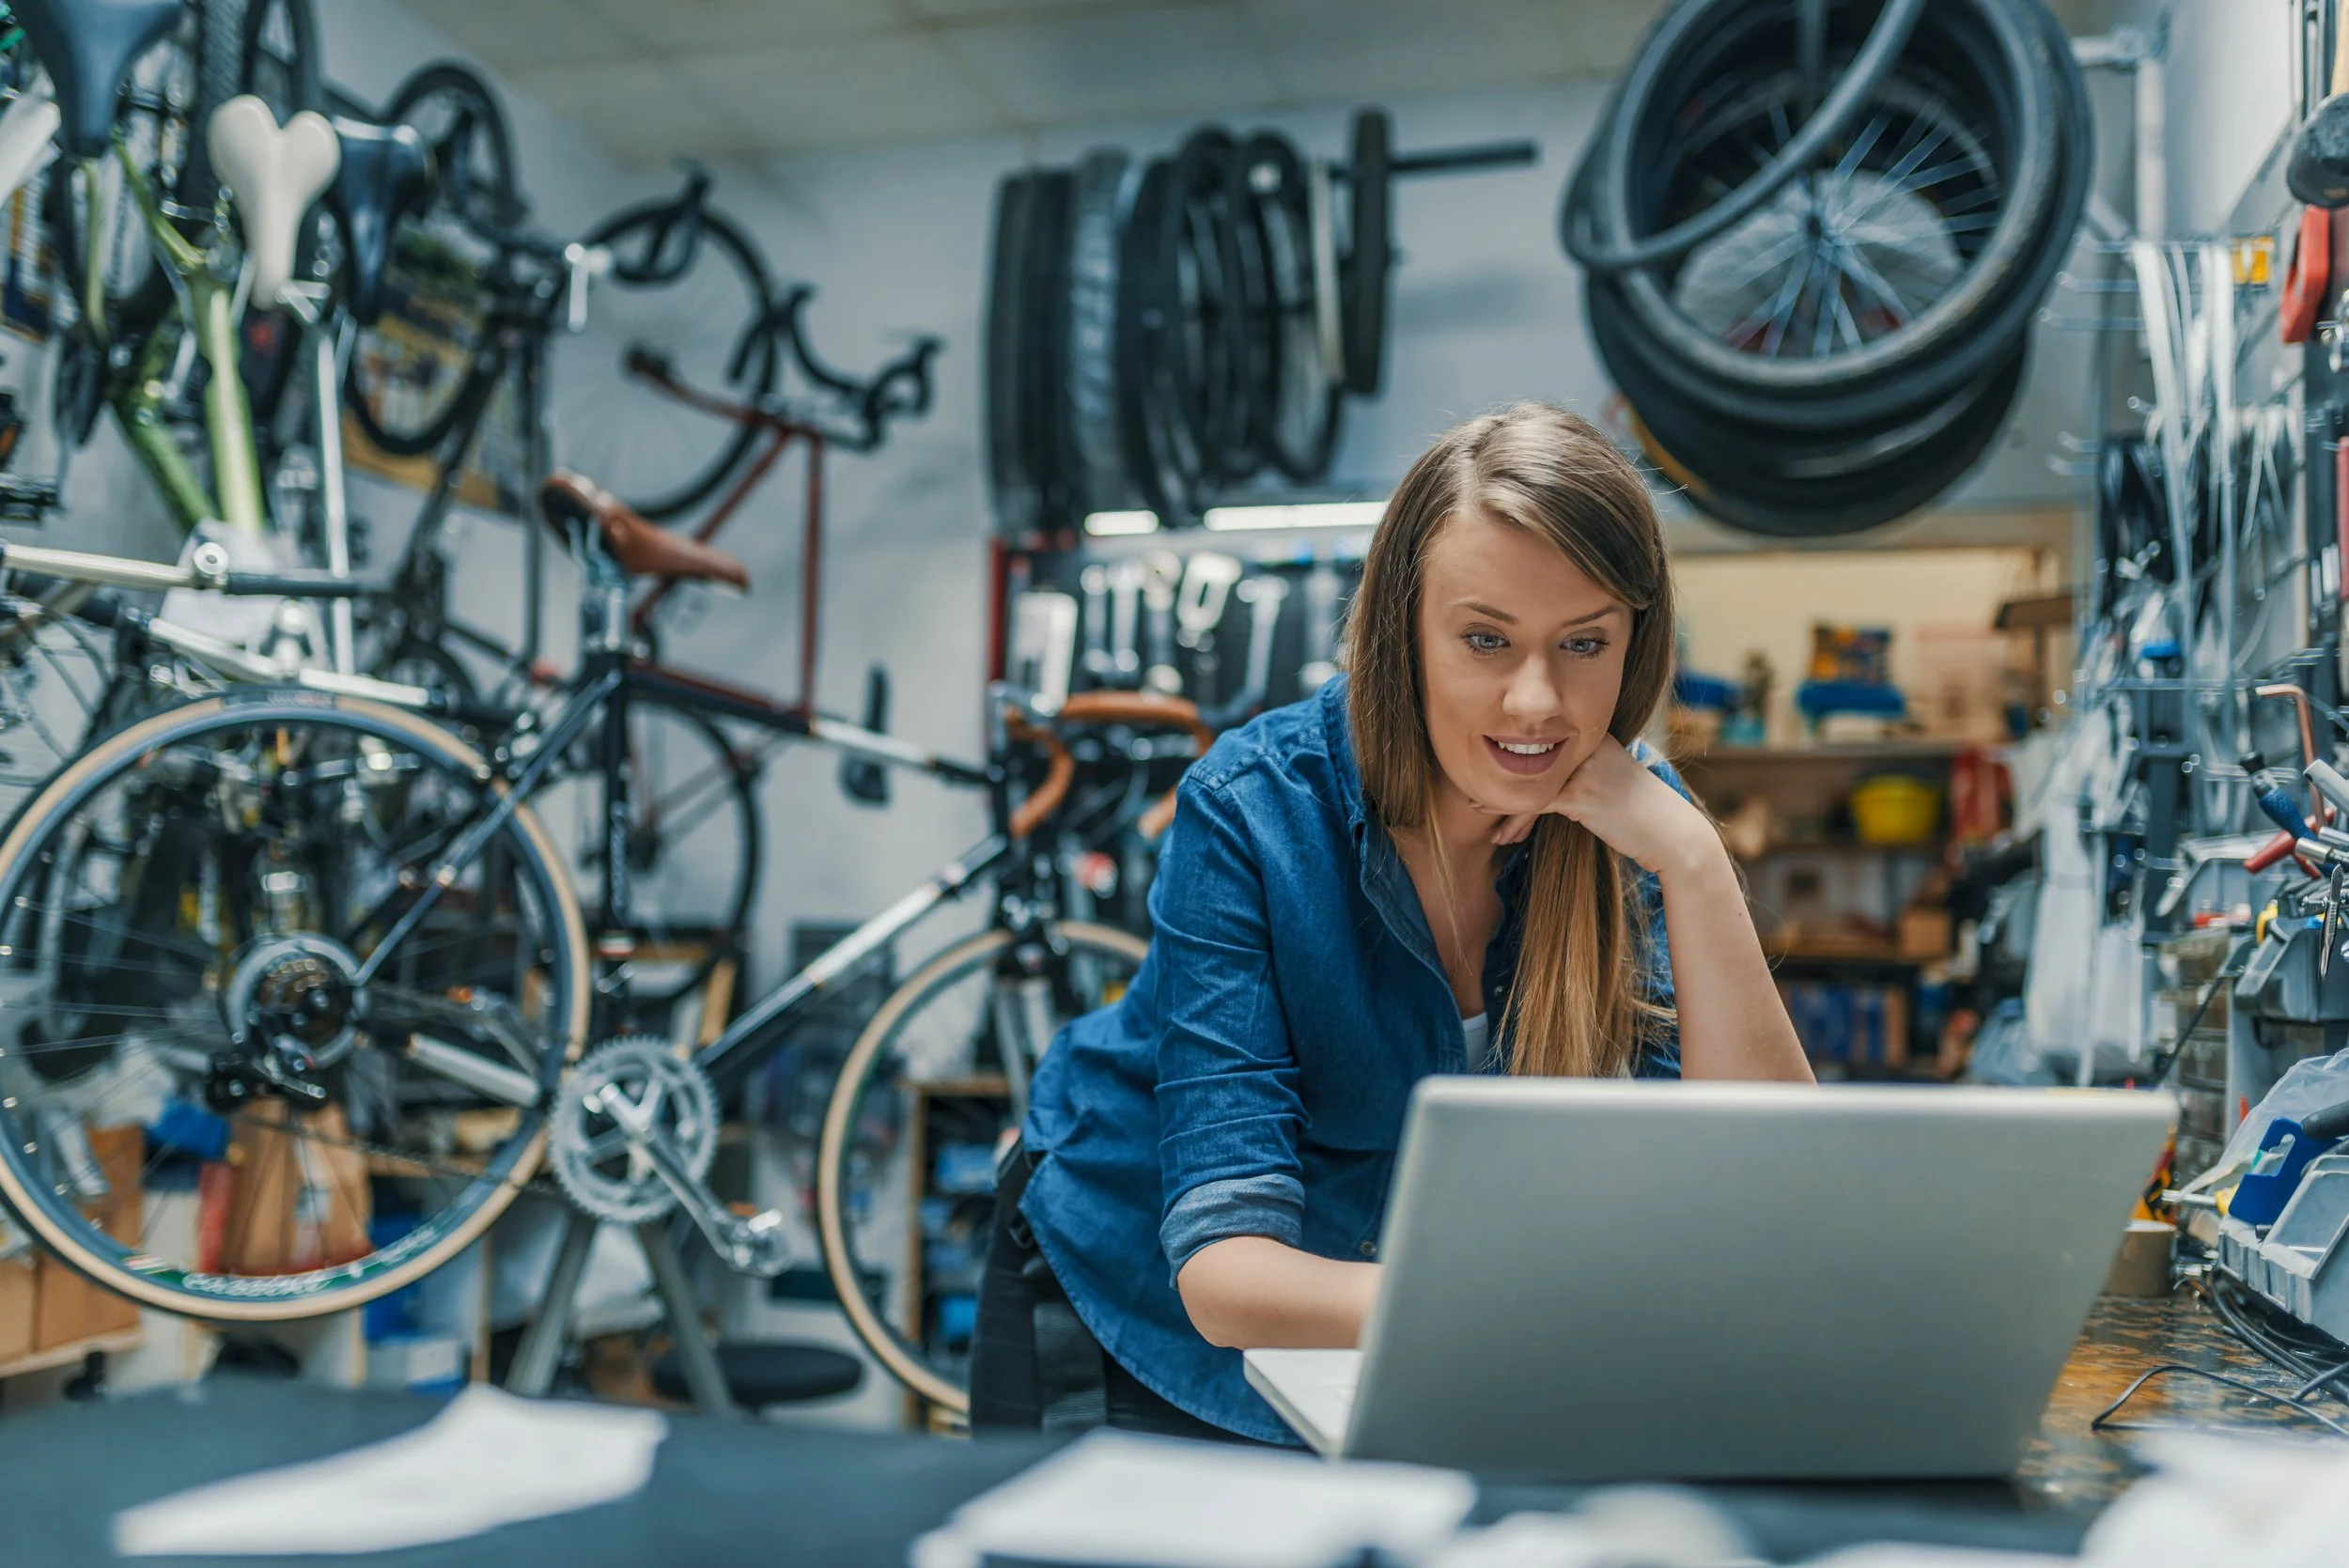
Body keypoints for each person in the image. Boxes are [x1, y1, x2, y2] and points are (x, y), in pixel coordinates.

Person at [971, 403, 1812, 1444]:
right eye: (1484, 638)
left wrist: (1694, 862)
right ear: (1400, 634)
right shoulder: (1252, 807)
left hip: (1409, 1335)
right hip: (1130, 1307)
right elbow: (1226, 1275)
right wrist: (1519, 1315)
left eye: (1583, 641)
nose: (1535, 702)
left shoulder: (1633, 826)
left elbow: (1771, 1204)